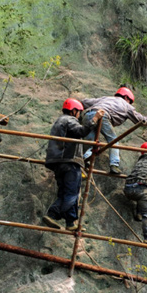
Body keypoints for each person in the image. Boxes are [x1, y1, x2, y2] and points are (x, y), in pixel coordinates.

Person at [42, 98, 104, 231]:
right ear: (74, 111)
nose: (79, 115)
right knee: (72, 192)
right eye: (79, 112)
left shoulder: (59, 122)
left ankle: (70, 222)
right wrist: (95, 119)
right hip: (69, 161)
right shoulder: (69, 120)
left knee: (66, 192)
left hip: (58, 162)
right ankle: (52, 214)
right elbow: (81, 131)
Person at [82, 86, 147, 174]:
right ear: (126, 97)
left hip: (88, 115)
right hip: (103, 115)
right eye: (130, 102)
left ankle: (86, 160)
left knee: (92, 142)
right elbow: (141, 120)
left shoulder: (106, 98)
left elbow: (84, 102)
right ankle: (114, 165)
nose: (130, 104)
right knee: (113, 140)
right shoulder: (126, 105)